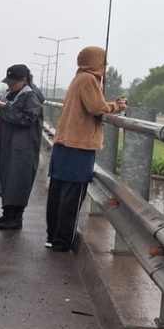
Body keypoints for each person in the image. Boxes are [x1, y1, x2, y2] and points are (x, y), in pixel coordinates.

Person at [46, 46, 127, 252]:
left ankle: (53, 236)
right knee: (72, 197)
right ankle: (63, 241)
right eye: (103, 62)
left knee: (58, 193)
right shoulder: (89, 80)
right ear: (96, 62)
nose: (105, 66)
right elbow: (96, 107)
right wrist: (117, 105)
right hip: (79, 147)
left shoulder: (78, 79)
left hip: (63, 146)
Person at [0, 64, 44, 230]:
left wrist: (6, 108)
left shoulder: (31, 96)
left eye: (13, 82)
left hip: (22, 148)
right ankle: (7, 215)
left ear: (24, 80)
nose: (10, 85)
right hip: (4, 144)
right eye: (8, 82)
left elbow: (27, 119)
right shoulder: (7, 94)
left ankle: (16, 218)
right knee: (6, 178)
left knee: (19, 180)